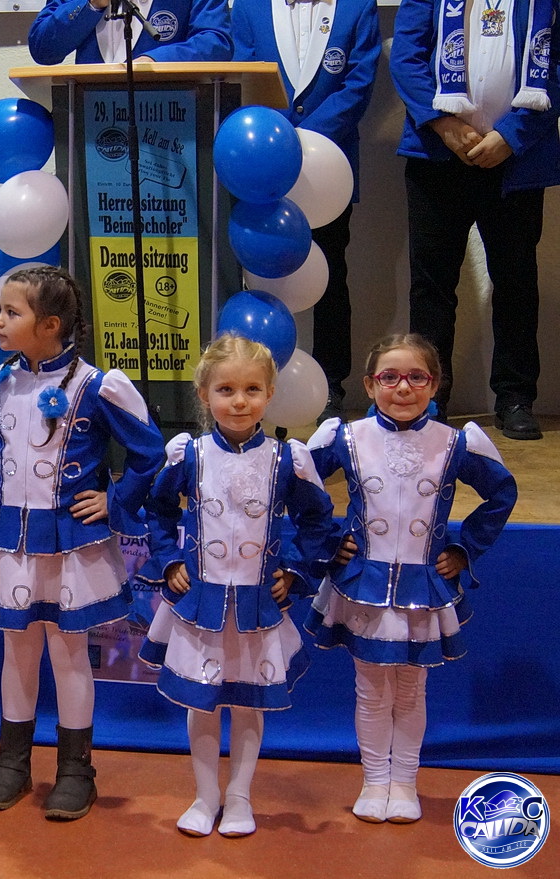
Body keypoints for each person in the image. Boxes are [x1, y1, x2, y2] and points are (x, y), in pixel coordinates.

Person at [0, 266, 167, 821]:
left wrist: (115, 501)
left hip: (71, 542)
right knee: (17, 649)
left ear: (50, 325)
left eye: (12, 312)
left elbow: (150, 453)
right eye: (1, 310)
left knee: (69, 653)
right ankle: (12, 763)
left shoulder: (97, 386)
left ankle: (76, 770)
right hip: (12, 539)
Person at [305, 333, 517, 823]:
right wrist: (328, 542)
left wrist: (464, 549)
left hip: (424, 587)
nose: (403, 388)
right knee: (370, 688)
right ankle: (373, 780)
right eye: (390, 377)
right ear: (369, 384)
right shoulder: (346, 438)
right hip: (363, 585)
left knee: (411, 690)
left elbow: (501, 493)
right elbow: (296, 488)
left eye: (416, 377)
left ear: (435, 384)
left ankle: (404, 783)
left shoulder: (454, 443)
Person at [135, 333, 337, 837]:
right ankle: (205, 797)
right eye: (226, 389)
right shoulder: (189, 454)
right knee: (201, 703)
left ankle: (241, 796)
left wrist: (294, 571)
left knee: (248, 702)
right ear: (204, 395)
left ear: (270, 394)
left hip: (257, 606)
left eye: (252, 389)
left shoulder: (288, 459)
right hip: (200, 605)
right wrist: (169, 561)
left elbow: (317, 519)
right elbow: (158, 509)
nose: (240, 401)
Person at [390, 0, 560, 439]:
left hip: (517, 160)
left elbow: (555, 66)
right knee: (431, 286)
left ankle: (515, 398)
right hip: (437, 157)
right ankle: (429, 398)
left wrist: (510, 136)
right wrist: (443, 125)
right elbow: (407, 58)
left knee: (516, 282)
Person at [230, 0, 381, 422]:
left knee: (331, 277)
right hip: (260, 172)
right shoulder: (248, 8)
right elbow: (243, 79)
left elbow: (358, 83)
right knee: (258, 278)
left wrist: (301, 144)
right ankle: (254, 383)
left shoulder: (357, 7)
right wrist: (277, 143)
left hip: (325, 174)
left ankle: (331, 385)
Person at [28, 0, 231, 66]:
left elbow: (216, 42)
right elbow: (42, 49)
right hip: (91, 118)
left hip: (173, 121)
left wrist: (156, 60)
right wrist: (90, 4)